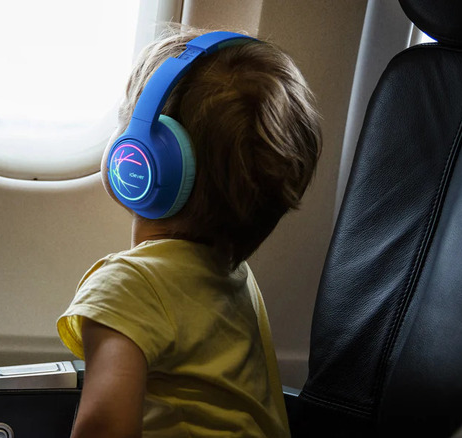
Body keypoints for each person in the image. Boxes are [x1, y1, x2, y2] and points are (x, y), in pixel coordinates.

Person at [57, 26, 322, 437]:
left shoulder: (127, 287)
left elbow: (103, 428)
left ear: (142, 160)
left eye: (128, 121)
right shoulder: (235, 278)